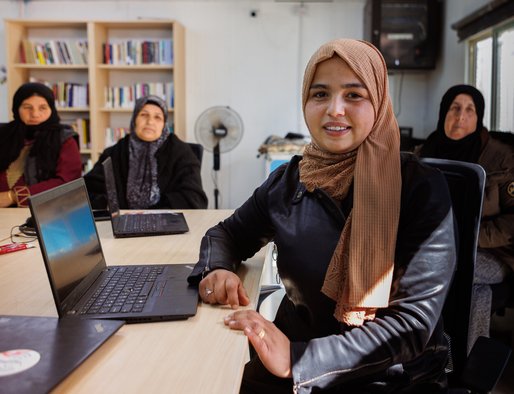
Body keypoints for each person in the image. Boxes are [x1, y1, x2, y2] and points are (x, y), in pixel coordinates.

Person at [187, 39, 456, 393]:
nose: (335, 109)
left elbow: (411, 325)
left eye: (354, 95)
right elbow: (227, 234)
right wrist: (217, 268)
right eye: (320, 94)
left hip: (391, 373)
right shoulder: (288, 181)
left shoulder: (419, 188)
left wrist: (299, 359)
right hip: (292, 347)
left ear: (378, 100)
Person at [415, 84, 514, 351]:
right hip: (433, 250)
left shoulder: (501, 158)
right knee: (475, 293)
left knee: (435, 271)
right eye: (454, 108)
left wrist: (467, 240)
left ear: (479, 116)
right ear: (443, 113)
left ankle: (432, 355)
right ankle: (461, 367)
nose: (461, 117)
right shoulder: (423, 154)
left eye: (470, 110)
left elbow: (511, 223)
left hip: (493, 253)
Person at [84, 95, 208, 210]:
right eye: (144, 115)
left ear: (164, 125)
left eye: (157, 117)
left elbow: (194, 197)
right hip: (124, 222)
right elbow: (89, 189)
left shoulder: (181, 152)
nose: (150, 122)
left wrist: (156, 212)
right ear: (134, 119)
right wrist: (109, 204)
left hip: (166, 222)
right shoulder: (115, 152)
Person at [0, 82, 82, 207]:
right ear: (17, 108)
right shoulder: (4, 134)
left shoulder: (64, 138)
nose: (35, 114)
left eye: (42, 108)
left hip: (43, 211)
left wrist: (14, 196)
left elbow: (66, 183)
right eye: (27, 107)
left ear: (51, 109)